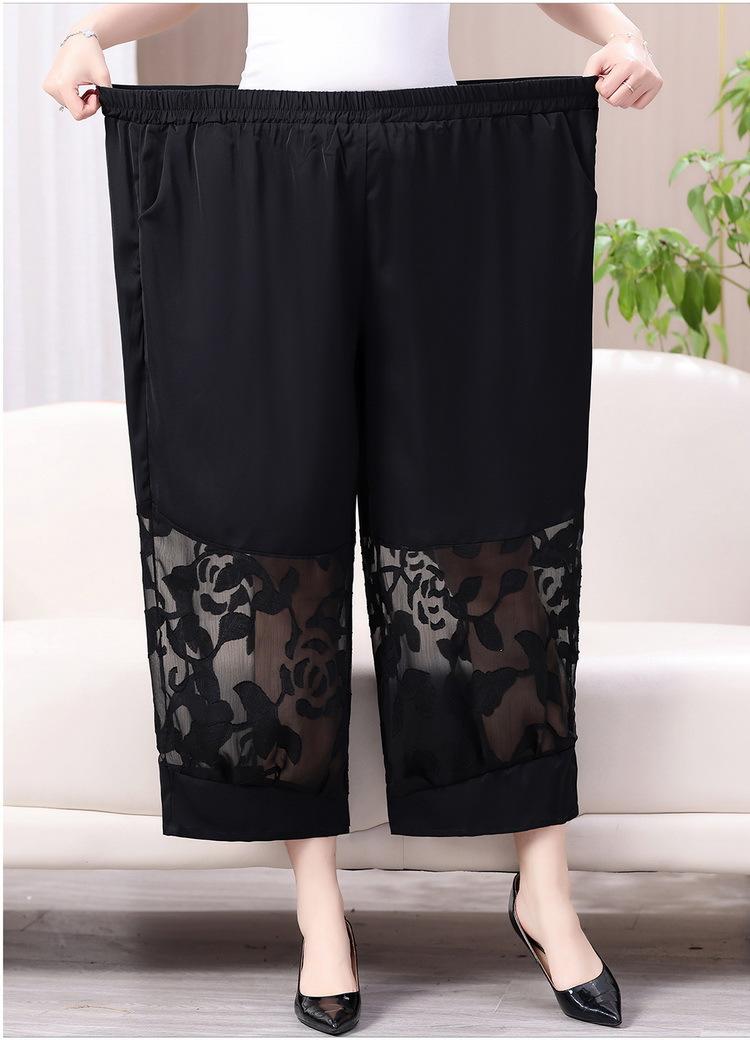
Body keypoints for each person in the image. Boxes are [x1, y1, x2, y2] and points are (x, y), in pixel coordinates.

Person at [43, 4, 662, 1035]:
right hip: (265, 175)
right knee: (275, 520)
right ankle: (318, 905)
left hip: (448, 176)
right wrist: (86, 32)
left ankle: (545, 889)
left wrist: (622, 31)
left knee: (489, 517)